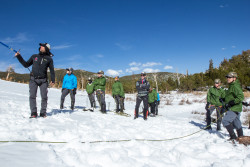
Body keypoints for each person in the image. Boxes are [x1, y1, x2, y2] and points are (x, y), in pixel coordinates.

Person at [15, 43, 55, 118]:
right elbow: (26, 65)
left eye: (43, 46)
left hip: (43, 80)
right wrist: (19, 56)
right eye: (41, 46)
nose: (40, 47)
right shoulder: (34, 56)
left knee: (44, 97)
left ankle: (43, 113)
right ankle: (33, 113)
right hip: (33, 79)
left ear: (46, 48)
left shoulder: (49, 59)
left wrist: (53, 80)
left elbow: (52, 70)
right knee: (32, 96)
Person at [222, 72, 244, 140]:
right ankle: (241, 137)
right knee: (237, 124)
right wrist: (224, 99)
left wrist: (233, 102)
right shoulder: (231, 85)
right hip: (234, 107)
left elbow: (241, 97)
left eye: (229, 77)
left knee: (225, 121)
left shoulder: (235, 86)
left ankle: (233, 137)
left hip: (235, 108)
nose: (228, 78)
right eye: (227, 77)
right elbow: (230, 96)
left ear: (234, 78)